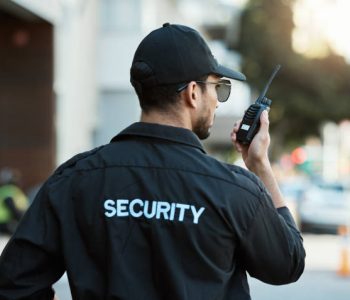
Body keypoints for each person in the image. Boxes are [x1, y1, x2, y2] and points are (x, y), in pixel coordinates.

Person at [0, 23, 305, 299]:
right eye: (219, 87)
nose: (217, 100)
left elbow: (14, 285)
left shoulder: (74, 180)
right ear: (193, 93)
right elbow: (286, 265)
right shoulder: (234, 190)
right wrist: (261, 167)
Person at [0, 168, 28, 235]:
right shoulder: (9, 190)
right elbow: (11, 206)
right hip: (6, 223)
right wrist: (23, 221)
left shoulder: (5, 190)